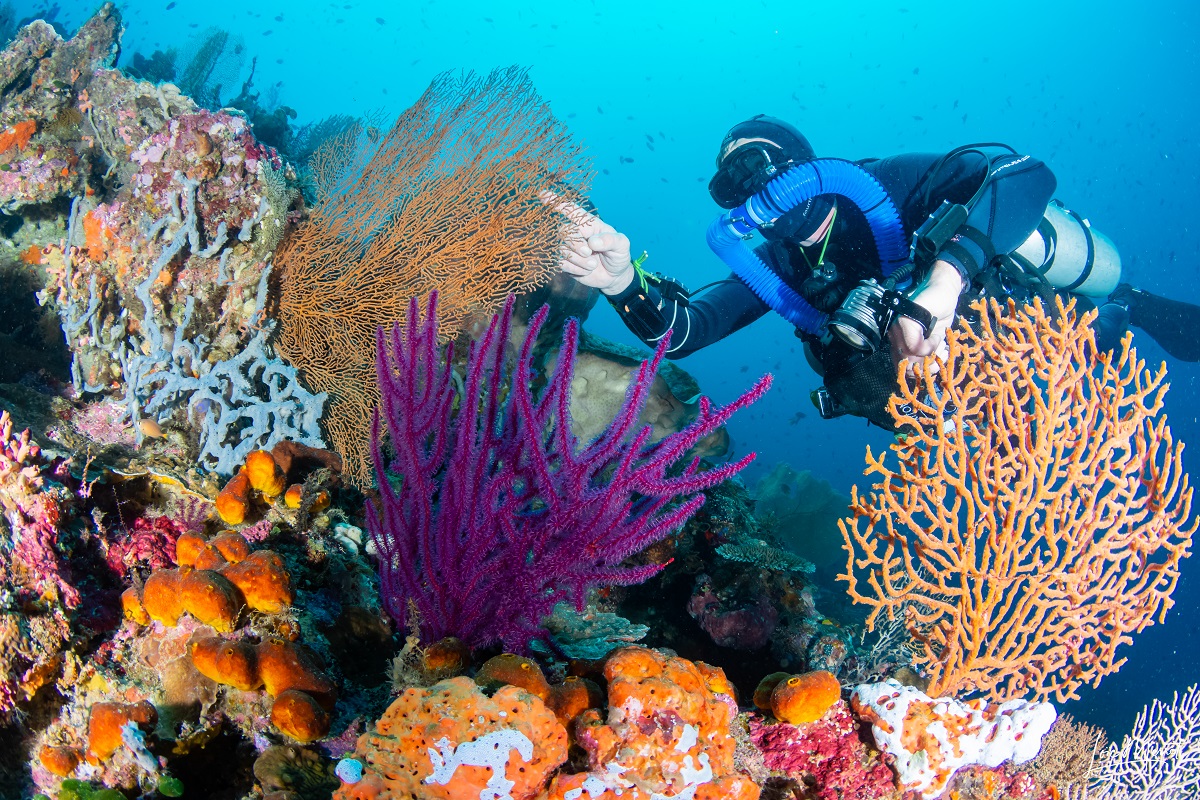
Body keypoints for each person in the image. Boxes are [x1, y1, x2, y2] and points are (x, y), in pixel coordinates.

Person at [551, 115, 1200, 429]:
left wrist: (945, 279)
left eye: (768, 163)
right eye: (740, 182)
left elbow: (1028, 176)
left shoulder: (886, 185)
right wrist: (618, 281)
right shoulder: (776, 267)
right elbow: (687, 329)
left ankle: (1120, 311)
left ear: (808, 161)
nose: (760, 185)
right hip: (956, 399)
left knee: (1089, 337)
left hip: (1018, 321)